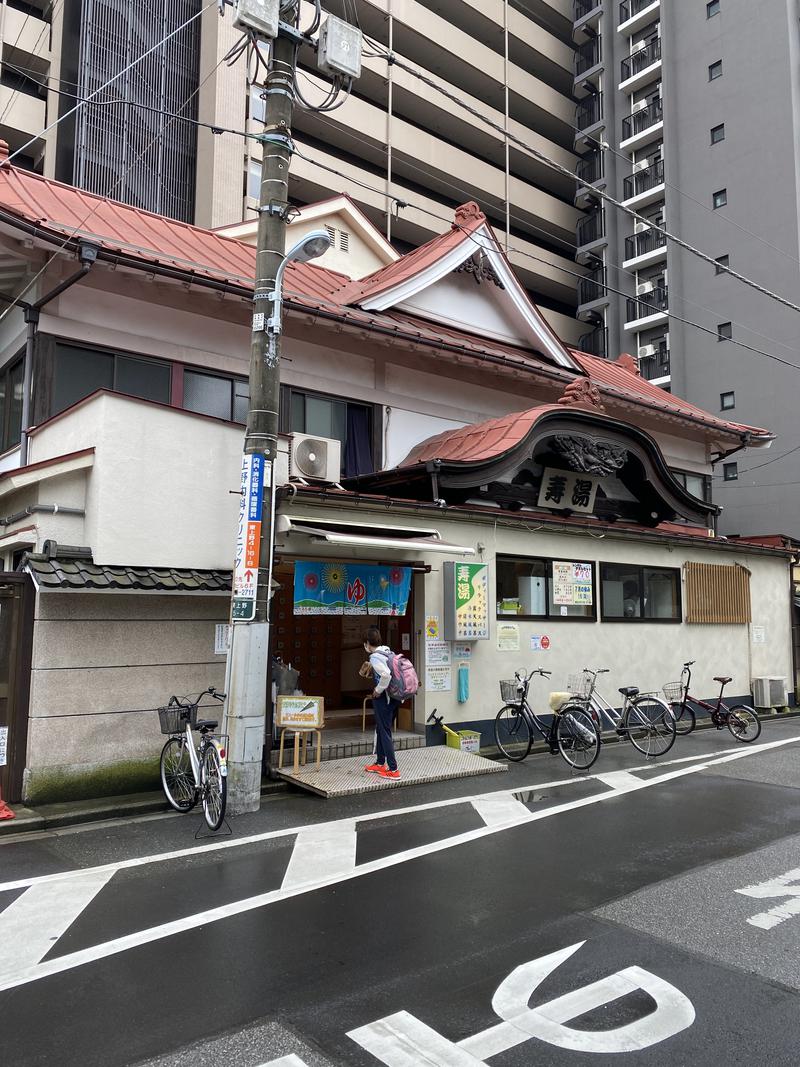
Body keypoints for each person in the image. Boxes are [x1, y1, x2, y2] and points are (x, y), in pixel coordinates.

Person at [362, 626, 400, 780]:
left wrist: (377, 691)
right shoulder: (388, 652)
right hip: (395, 697)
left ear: (367, 643)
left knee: (384, 731)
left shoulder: (375, 657)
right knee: (381, 729)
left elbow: (386, 676)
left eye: (364, 643)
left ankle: (393, 769)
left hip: (385, 698)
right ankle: (379, 763)